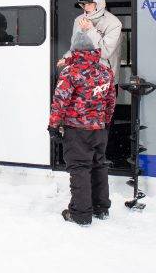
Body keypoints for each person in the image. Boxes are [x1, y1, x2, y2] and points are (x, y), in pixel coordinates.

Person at [48, 31, 116, 226]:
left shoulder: (70, 72)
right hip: (99, 129)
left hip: (77, 129)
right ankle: (101, 208)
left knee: (80, 168)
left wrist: (53, 125)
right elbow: (111, 99)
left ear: (75, 50)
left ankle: (80, 213)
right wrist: (105, 121)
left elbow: (60, 101)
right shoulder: (105, 71)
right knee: (99, 165)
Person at [57, 0, 122, 85]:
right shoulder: (79, 20)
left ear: (99, 3)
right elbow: (76, 46)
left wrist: (91, 30)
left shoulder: (114, 23)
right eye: (84, 4)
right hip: (83, 77)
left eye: (90, 3)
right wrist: (67, 58)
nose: (86, 7)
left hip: (104, 78)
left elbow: (105, 53)